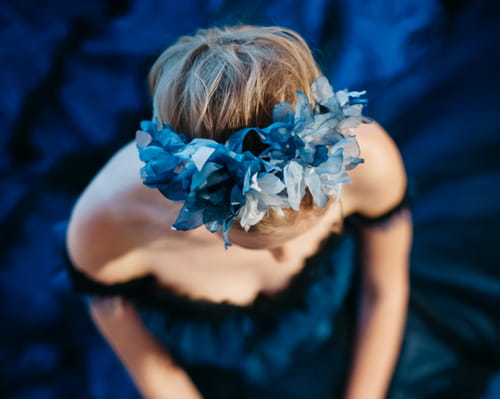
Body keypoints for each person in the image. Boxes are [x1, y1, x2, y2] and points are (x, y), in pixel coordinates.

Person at [65, 25, 411, 399]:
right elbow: (153, 367)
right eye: (251, 244)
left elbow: (384, 290)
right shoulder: (106, 227)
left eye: (325, 226)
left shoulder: (367, 161)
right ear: (200, 195)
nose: (288, 258)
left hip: (341, 346)